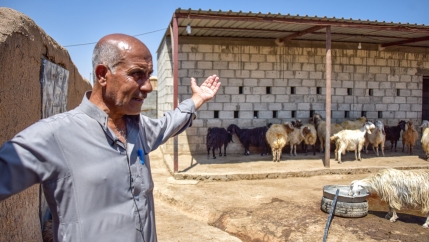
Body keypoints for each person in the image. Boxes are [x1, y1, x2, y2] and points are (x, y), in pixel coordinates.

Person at [0, 33, 220, 242]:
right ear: (102, 74)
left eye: (149, 75)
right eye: (137, 74)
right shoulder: (54, 136)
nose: (148, 87)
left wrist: (196, 100)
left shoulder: (139, 129)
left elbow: (169, 124)